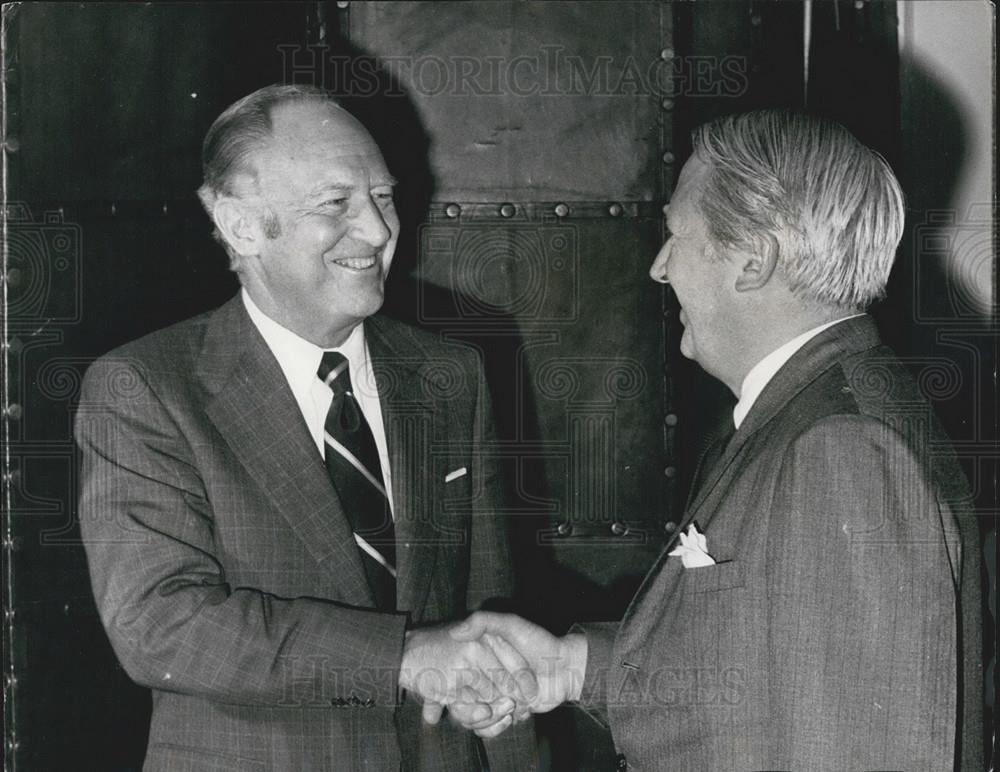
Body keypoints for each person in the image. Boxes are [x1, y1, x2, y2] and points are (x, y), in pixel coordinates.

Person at [441, 110, 984, 771]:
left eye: (676, 238)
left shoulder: (842, 447)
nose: (659, 269)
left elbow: (860, 751)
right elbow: (751, 674)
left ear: (754, 262)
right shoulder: (802, 413)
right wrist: (572, 666)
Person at [75, 84, 537, 772]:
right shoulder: (145, 388)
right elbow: (161, 627)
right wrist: (403, 657)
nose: (379, 231)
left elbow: (487, 607)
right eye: (336, 203)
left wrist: (496, 705)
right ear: (240, 226)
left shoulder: (451, 372)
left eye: (384, 197)